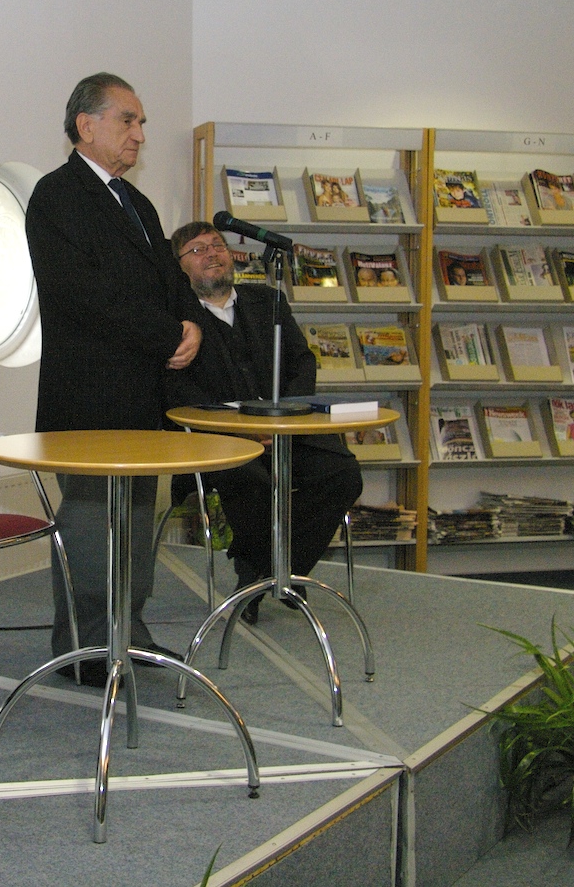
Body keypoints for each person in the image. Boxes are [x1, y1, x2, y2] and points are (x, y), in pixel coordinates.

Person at [25, 73, 204, 687]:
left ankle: (129, 632)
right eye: (128, 119)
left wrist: (190, 323)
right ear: (86, 125)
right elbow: (84, 296)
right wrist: (166, 334)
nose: (140, 133)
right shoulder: (56, 196)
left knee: (134, 520)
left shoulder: (138, 203)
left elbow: (171, 280)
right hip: (87, 397)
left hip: (143, 397)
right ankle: (84, 647)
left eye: (141, 122)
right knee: (90, 524)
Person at [164, 222, 364, 624]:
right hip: (216, 442)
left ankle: (264, 571)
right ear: (179, 267)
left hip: (283, 431)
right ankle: (276, 573)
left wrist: (282, 416)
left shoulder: (268, 301)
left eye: (217, 245)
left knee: (342, 473)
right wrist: (240, 429)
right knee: (253, 482)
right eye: (198, 250)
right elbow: (175, 389)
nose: (212, 254)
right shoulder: (174, 319)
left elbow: (302, 362)